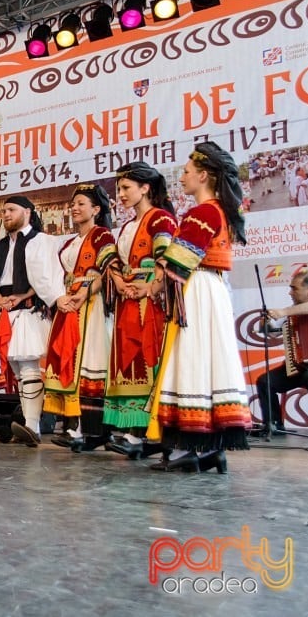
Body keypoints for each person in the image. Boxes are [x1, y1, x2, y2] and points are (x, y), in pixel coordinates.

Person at [150, 141, 252, 474]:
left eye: (187, 172)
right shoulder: (217, 211)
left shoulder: (204, 212)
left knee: (191, 358)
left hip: (195, 288)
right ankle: (210, 449)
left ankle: (186, 448)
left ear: (204, 175)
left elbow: (178, 263)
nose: (182, 178)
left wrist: (155, 274)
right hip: (209, 287)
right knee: (205, 359)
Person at [102, 163, 178, 459]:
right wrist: (120, 281)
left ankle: (148, 430)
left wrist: (149, 287)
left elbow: (164, 258)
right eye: (119, 189)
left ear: (145, 188)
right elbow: (117, 263)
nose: (120, 194)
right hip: (128, 297)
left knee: (148, 357)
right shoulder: (128, 226)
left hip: (150, 301)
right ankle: (133, 429)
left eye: (125, 188)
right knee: (129, 361)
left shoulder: (160, 218)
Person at [0, 198, 65, 447]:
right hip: (7, 310)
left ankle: (32, 425)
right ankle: (29, 425)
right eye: (3, 211)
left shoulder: (41, 240)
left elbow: (44, 277)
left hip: (28, 310)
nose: (5, 214)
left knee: (28, 368)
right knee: (18, 370)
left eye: (11, 210)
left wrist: (24, 295)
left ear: (27, 212)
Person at [43, 185, 117, 451]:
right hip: (69, 304)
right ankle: (74, 427)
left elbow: (107, 271)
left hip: (91, 306)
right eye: (73, 204)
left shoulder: (102, 236)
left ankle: (93, 430)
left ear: (96, 210)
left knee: (88, 363)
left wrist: (85, 292)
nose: (75, 208)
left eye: (81, 204)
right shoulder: (69, 242)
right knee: (69, 362)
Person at [255, 269, 308, 434]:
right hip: (298, 367)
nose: (290, 292)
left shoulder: (293, 310)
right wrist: (265, 323)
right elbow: (274, 331)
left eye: (294, 288)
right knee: (265, 381)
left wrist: (283, 312)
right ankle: (273, 424)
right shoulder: (292, 311)